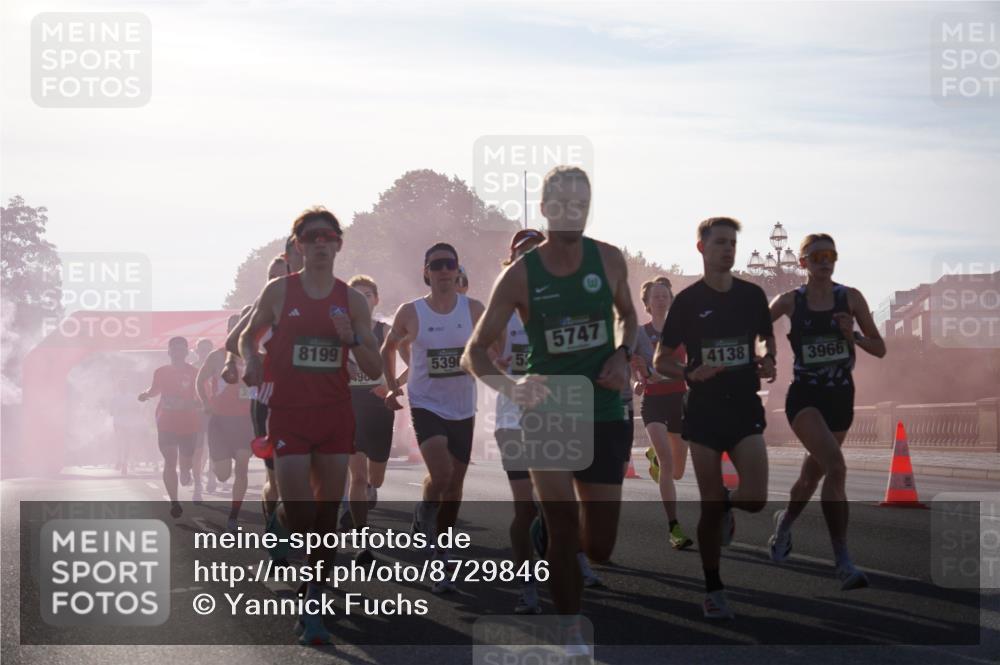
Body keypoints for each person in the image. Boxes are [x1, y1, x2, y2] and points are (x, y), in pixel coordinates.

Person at [463, 166, 637, 658]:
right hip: (547, 412)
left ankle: (548, 528)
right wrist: (512, 387)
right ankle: (572, 636)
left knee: (598, 547)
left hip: (603, 410)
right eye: (561, 203)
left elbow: (629, 316)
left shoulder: (609, 259)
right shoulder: (520, 275)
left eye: (581, 203)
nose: (572, 212)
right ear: (544, 208)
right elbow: (473, 354)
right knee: (564, 530)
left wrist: (622, 354)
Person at [240, 207, 382, 645]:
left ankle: (313, 603)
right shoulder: (279, 291)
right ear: (299, 245)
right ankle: (280, 520)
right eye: (311, 236)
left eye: (327, 236)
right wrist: (250, 359)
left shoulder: (352, 301)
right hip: (289, 414)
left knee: (326, 517)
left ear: (338, 244)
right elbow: (247, 336)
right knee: (301, 513)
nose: (320, 242)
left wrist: (350, 338)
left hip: (335, 415)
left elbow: (375, 367)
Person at [654, 216, 775, 620]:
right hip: (704, 411)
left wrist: (767, 359)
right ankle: (713, 589)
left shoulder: (752, 296)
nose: (728, 249)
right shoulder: (688, 302)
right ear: (701, 248)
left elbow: (765, 339)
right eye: (720, 242)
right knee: (708, 507)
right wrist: (689, 373)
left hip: (743, 406)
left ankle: (726, 503)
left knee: (755, 499)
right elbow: (661, 360)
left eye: (732, 243)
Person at [767, 233, 886, 590]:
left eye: (830, 255)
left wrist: (854, 337)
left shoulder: (850, 298)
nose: (825, 262)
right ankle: (843, 562)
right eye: (817, 256)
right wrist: (767, 354)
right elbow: (756, 328)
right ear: (802, 262)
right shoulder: (790, 300)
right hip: (805, 396)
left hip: (840, 397)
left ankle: (784, 525)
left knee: (811, 478)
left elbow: (879, 348)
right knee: (836, 466)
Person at [381, 242, 485, 593]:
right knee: (442, 473)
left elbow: (495, 345)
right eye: (436, 265)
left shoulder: (474, 309)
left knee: (453, 487)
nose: (443, 271)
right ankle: (436, 553)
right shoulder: (411, 312)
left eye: (449, 264)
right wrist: (392, 388)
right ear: (426, 272)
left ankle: (438, 541)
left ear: (457, 270)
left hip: (463, 407)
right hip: (426, 403)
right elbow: (388, 348)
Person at [491, 228, 545, 613]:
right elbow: (477, 354)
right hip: (512, 419)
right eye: (523, 251)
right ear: (511, 259)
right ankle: (527, 582)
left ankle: (572, 557)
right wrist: (497, 364)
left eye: (537, 250)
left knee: (560, 504)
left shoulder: (560, 303)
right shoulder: (502, 307)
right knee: (526, 507)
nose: (531, 256)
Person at [634, 277, 693, 550]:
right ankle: (674, 528)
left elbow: (693, 364)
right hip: (654, 403)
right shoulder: (639, 333)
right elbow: (631, 368)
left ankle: (655, 459)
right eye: (655, 296)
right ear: (647, 303)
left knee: (678, 472)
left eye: (664, 295)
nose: (660, 300)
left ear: (671, 300)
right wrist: (637, 382)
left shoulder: (682, 331)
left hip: (679, 401)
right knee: (668, 465)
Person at [343, 274, 398, 563]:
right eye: (356, 295)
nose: (362, 300)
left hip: (379, 408)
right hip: (349, 405)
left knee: (375, 478)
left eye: (367, 295)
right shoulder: (340, 332)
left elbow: (413, 363)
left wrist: (391, 387)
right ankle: (362, 541)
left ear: (376, 299)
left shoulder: (384, 330)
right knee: (358, 476)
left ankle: (370, 491)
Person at [197, 313, 255, 532]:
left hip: (245, 421)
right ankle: (215, 466)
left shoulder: (255, 355)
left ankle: (234, 515)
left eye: (242, 326)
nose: (238, 330)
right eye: (234, 326)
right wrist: (205, 402)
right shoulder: (216, 356)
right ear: (229, 330)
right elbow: (200, 380)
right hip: (220, 422)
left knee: (242, 466)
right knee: (223, 474)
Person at [139, 336, 203, 518]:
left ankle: (186, 470)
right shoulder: (161, 372)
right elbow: (155, 389)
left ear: (187, 352)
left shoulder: (195, 372)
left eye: (181, 348)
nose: (177, 352)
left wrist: (198, 403)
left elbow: (202, 395)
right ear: (169, 352)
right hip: (166, 422)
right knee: (169, 460)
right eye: (174, 349)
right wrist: (146, 394)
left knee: (186, 461)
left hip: (189, 424)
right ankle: (175, 502)